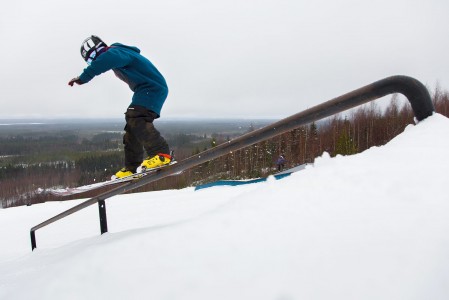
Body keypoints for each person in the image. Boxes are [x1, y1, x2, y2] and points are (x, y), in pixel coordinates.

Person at [68, 35, 171, 178]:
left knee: (136, 116)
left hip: (152, 88)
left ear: (100, 48)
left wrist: (84, 77)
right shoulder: (118, 54)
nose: (94, 60)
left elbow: (107, 58)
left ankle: (162, 154)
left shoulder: (115, 51)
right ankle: (131, 168)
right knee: (132, 125)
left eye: (93, 56)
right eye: (90, 59)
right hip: (145, 89)